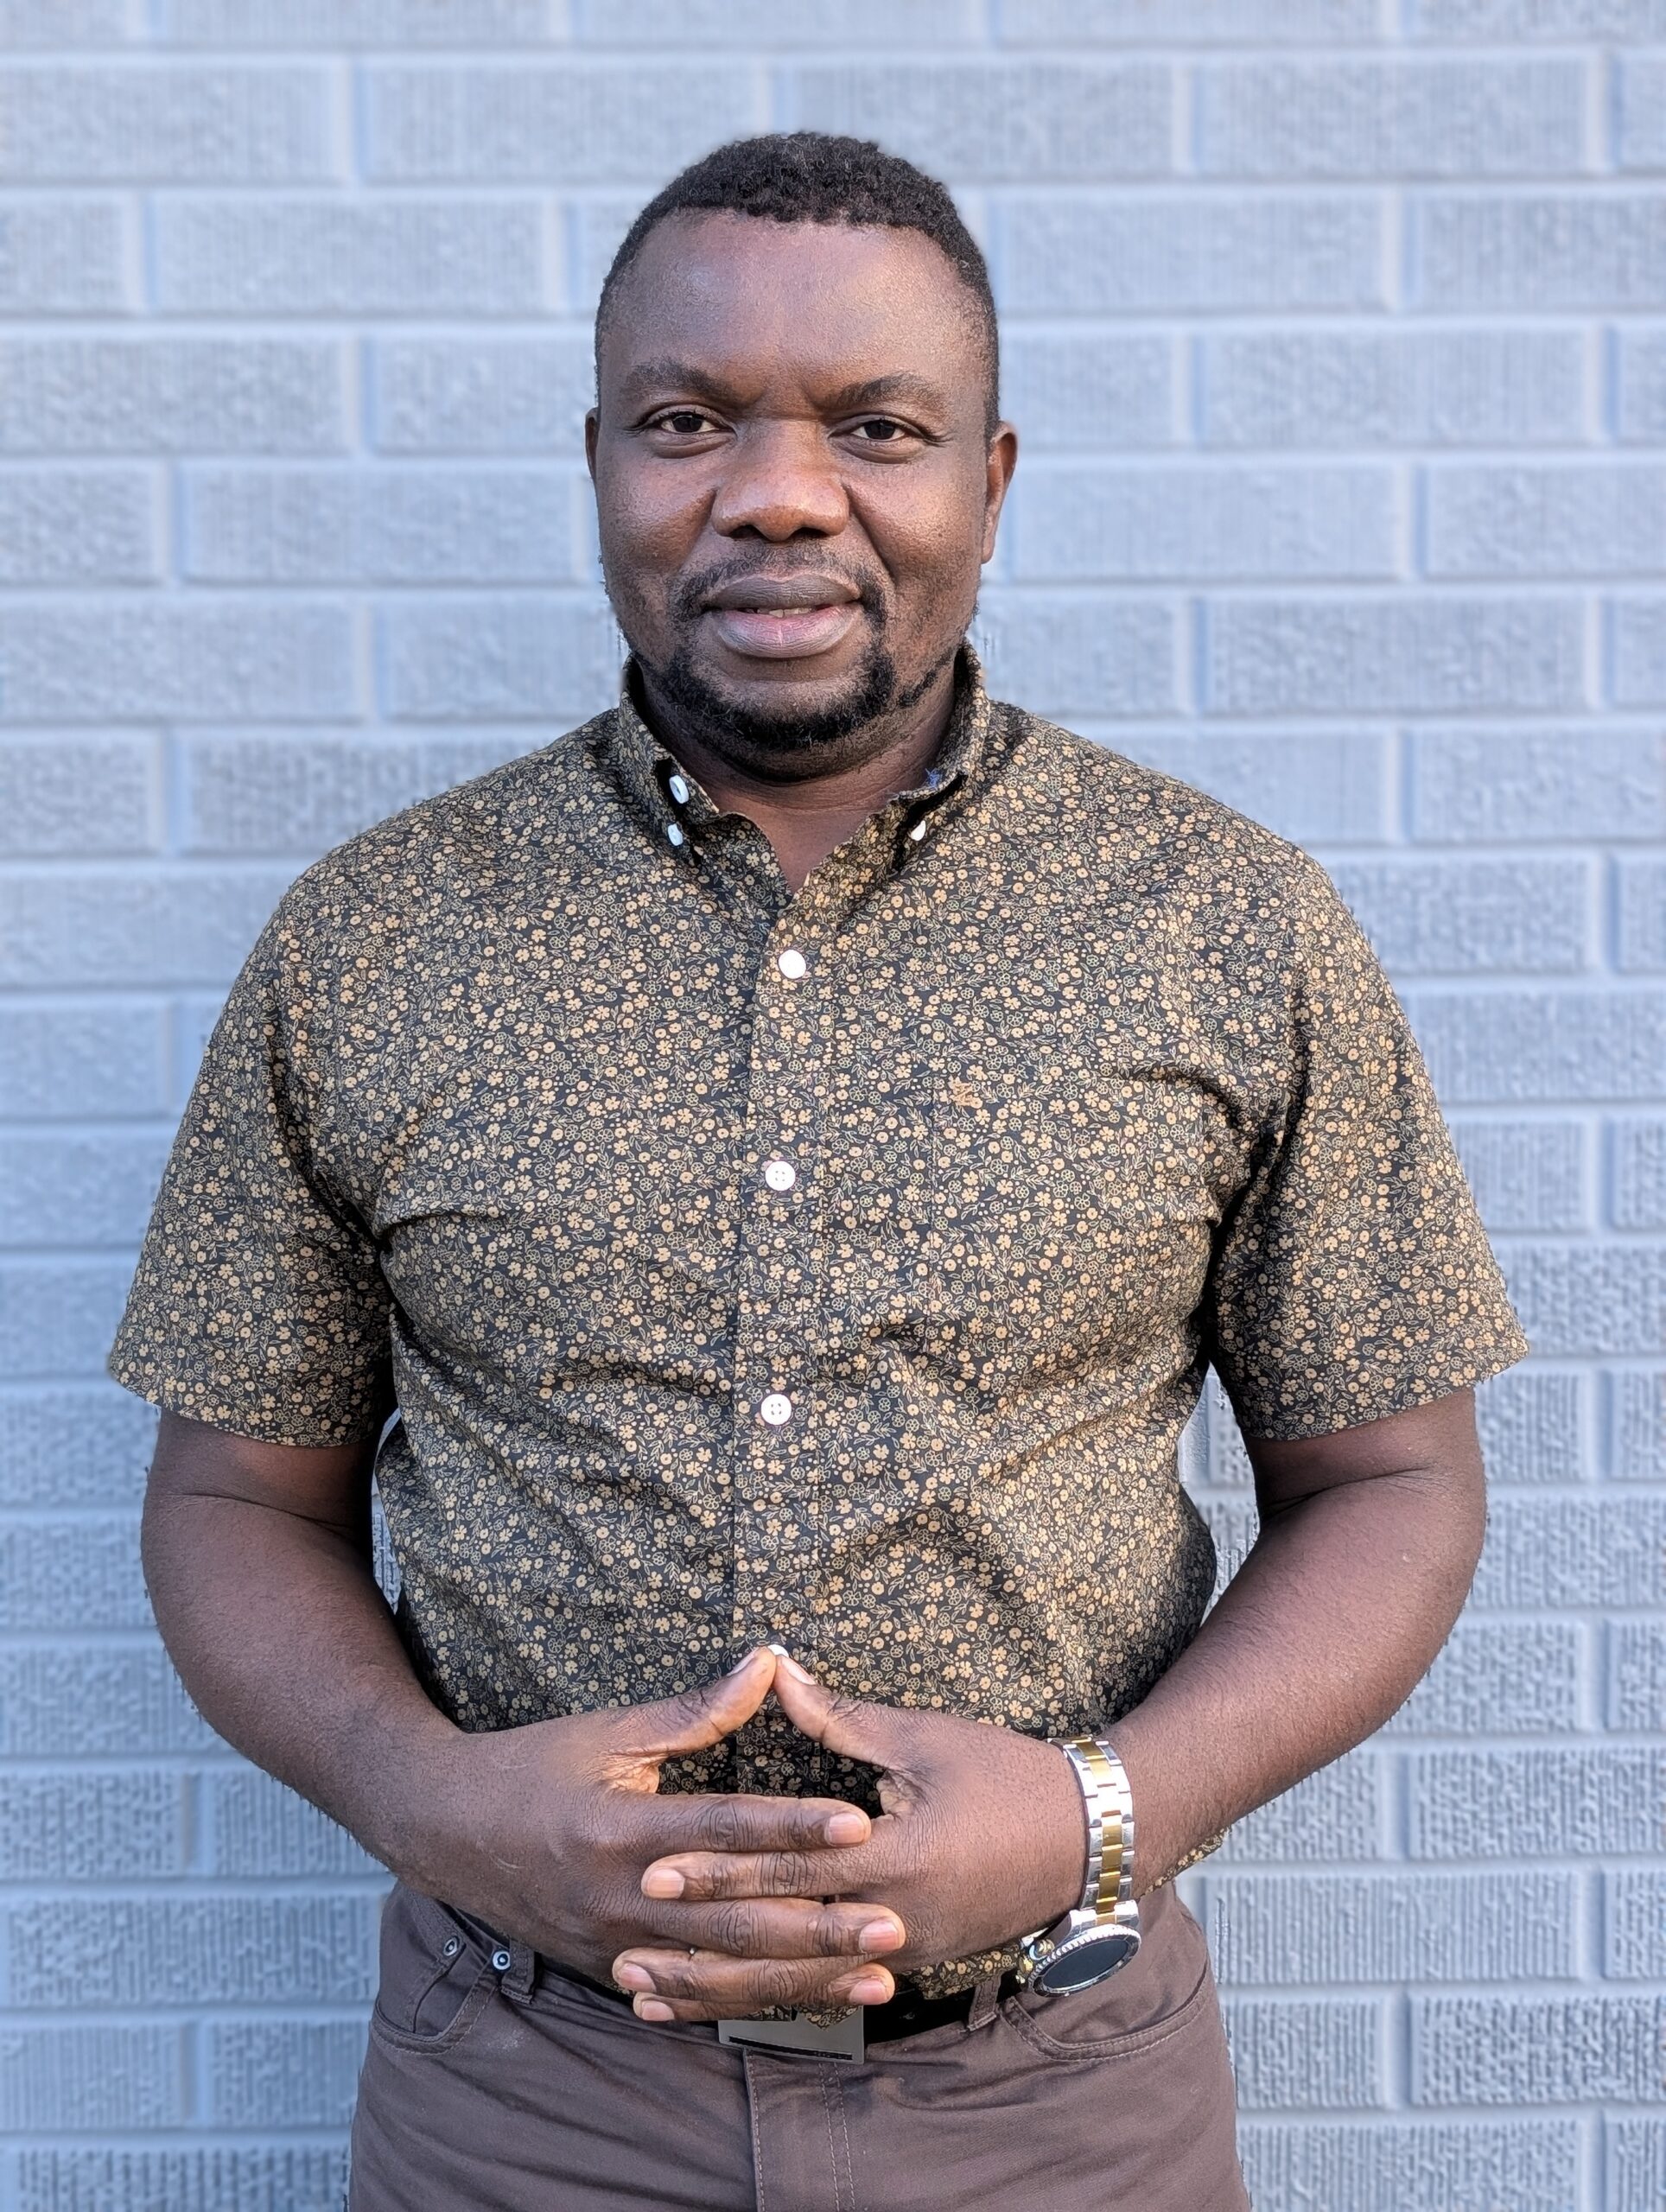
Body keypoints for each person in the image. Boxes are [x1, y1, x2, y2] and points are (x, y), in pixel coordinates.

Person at [109, 133, 1529, 2211]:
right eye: (689, 421)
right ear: (600, 455)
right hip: (524, 2096)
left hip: (1058, 2099)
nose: (776, 491)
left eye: (878, 426)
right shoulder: (372, 939)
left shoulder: (1228, 923)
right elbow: (234, 1496)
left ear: (994, 474)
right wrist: (431, 1798)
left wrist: (1099, 1810)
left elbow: (1395, 1479)